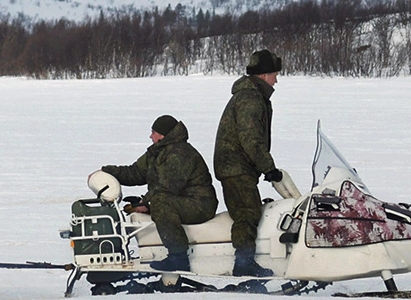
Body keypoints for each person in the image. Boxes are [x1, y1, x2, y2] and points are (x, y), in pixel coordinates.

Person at [98, 115, 219, 272]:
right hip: (178, 200)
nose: (150, 136)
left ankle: (178, 258)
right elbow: (134, 172)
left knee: (161, 203)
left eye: (153, 132)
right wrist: (107, 172)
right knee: (160, 201)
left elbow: (167, 186)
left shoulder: (181, 154)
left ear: (163, 135)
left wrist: (145, 203)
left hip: (200, 204)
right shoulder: (157, 152)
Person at [213, 49, 283, 277]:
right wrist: (268, 167)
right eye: (274, 74)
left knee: (249, 210)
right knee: (247, 213)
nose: (276, 79)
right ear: (263, 75)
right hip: (235, 166)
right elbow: (250, 138)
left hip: (239, 166)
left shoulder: (253, 96)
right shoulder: (250, 99)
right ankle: (243, 264)